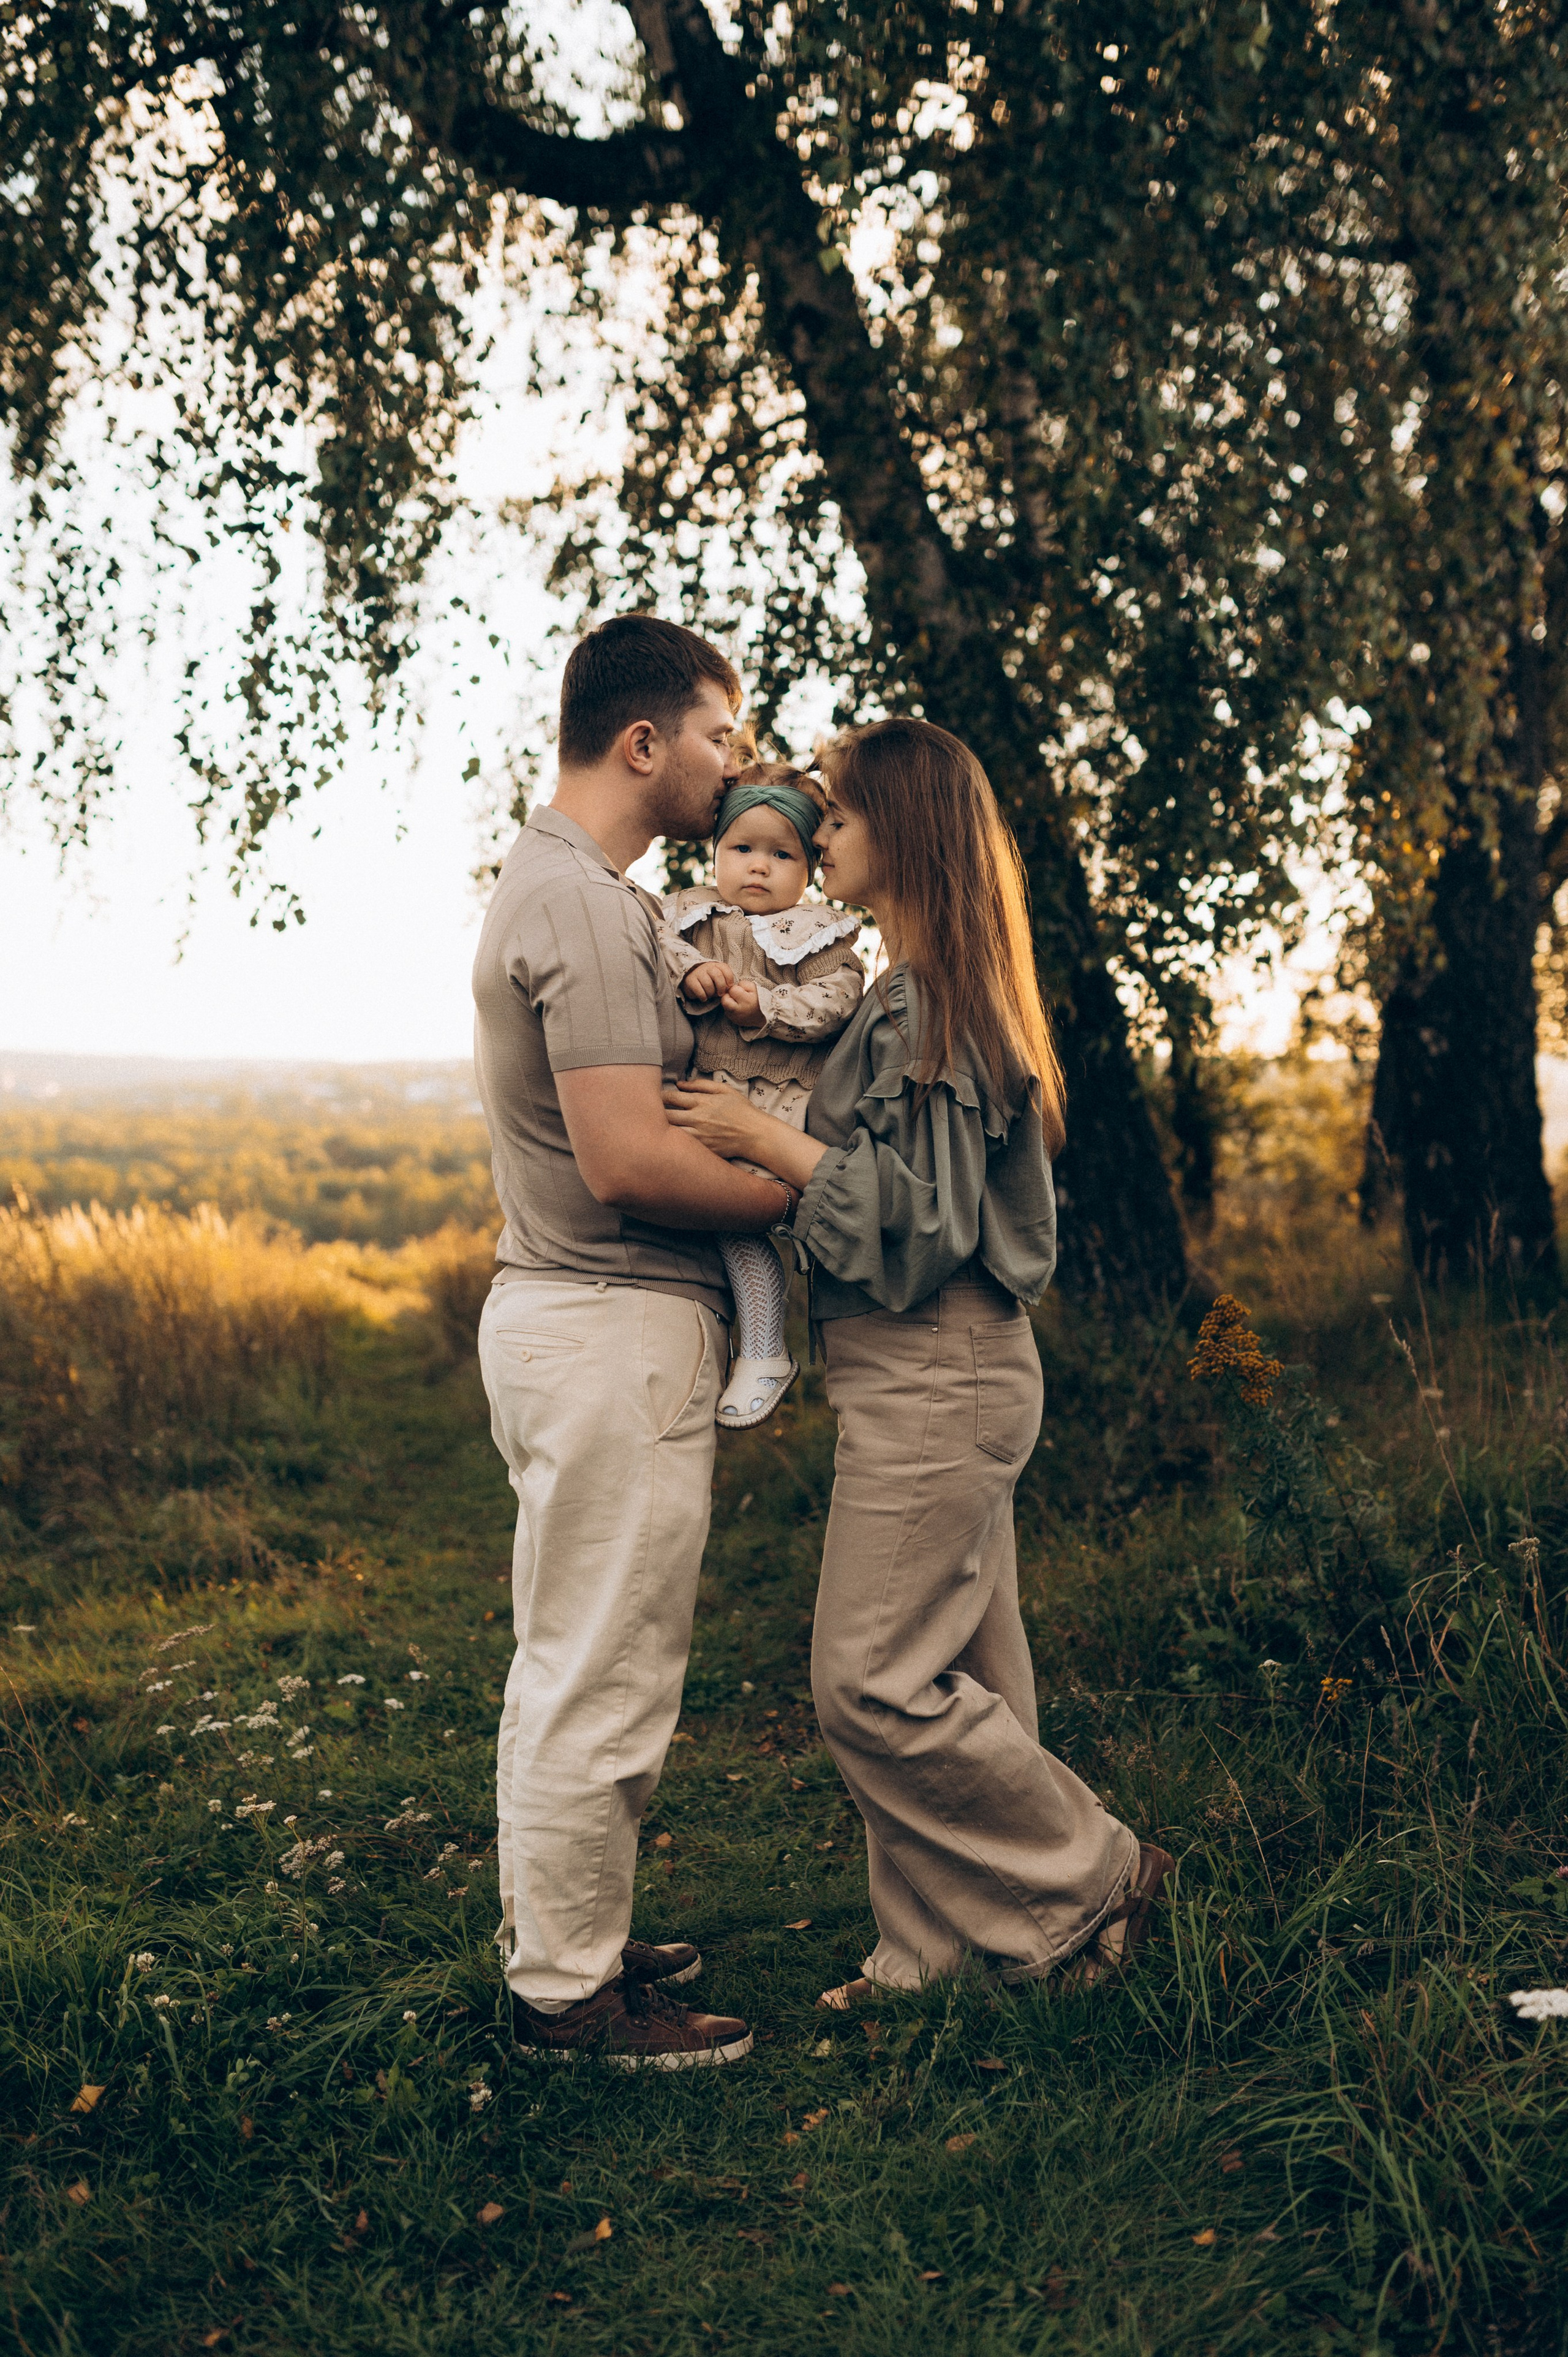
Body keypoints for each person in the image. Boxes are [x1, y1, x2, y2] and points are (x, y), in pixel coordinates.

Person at [666, 717, 1172, 2003]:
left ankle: (1090, 1878)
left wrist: (750, 1134)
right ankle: (941, 1954)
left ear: (905, 832)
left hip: (937, 1365)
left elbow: (914, 1224)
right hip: (924, 1371)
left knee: (866, 1680)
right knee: (956, 1671)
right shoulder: (914, 987)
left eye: (834, 817)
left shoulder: (931, 999)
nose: (817, 836)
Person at [472, 614, 804, 2067]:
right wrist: (809, 1190)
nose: (735, 764)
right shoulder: (586, 908)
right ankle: (567, 1997)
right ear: (645, 742)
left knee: (583, 1645)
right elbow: (624, 1159)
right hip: (605, 1322)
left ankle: (573, 1932)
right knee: (598, 1663)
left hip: (590, 1323)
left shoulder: (586, 894)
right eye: (721, 734)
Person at [657, 760, 864, 1428]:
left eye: (782, 854)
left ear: (808, 866)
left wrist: (766, 1007)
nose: (758, 867)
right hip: (713, 1092)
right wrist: (693, 970)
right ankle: (748, 1342)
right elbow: (656, 950)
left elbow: (838, 997)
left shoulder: (818, 931)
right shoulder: (688, 912)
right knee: (711, 1214)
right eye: (741, 848)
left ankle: (768, 1347)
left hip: (780, 1101)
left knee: (745, 1213)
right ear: (715, 848)